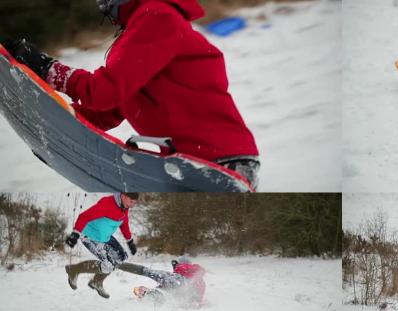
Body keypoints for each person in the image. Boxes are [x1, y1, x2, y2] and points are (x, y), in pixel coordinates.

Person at [1, 0, 260, 189]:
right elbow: (111, 106)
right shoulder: (142, 26)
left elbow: (105, 91)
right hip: (199, 160)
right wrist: (55, 121)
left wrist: (48, 69)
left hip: (218, 159)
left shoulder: (158, 16)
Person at [64, 192, 139, 299]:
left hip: (104, 236)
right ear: (123, 196)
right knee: (108, 265)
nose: (132, 205)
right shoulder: (107, 204)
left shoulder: (124, 207)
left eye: (134, 203)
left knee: (120, 258)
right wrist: (75, 234)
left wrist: (130, 241)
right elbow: (84, 216)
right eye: (131, 201)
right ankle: (74, 269)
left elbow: (124, 223)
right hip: (90, 235)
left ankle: (96, 282)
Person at [118, 256, 206, 306]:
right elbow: (200, 292)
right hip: (189, 295)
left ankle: (119, 265)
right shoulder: (199, 278)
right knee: (172, 289)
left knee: (148, 272)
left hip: (177, 280)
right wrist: (197, 300)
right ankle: (158, 294)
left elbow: (173, 279)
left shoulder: (181, 268)